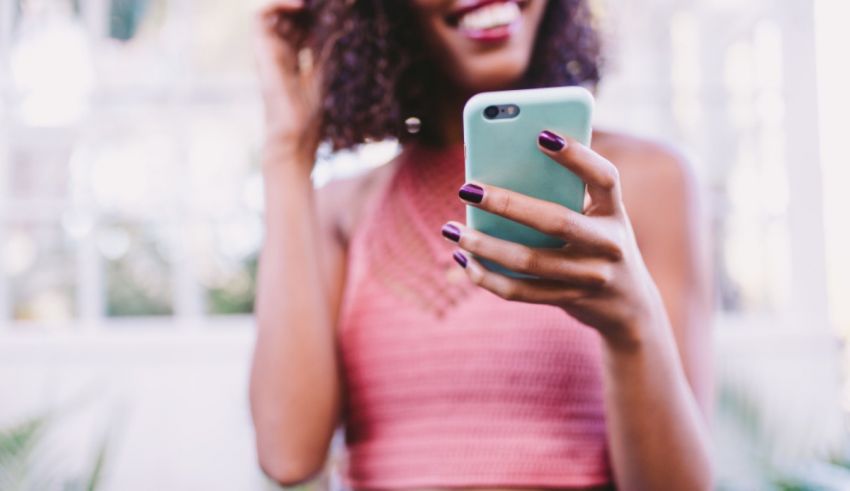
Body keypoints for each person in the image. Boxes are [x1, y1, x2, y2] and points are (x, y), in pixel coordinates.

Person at [249, 1, 713, 490]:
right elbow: (288, 455)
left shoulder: (642, 183)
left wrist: (630, 325)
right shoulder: (342, 209)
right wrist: (287, 150)